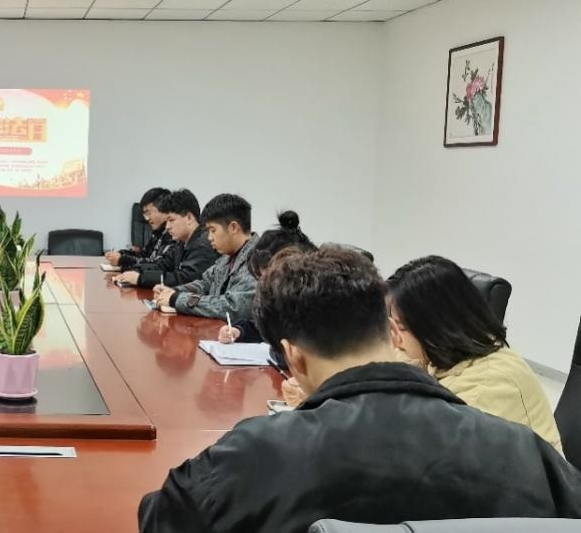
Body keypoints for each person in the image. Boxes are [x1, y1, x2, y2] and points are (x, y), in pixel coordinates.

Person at [138, 247, 581, 533]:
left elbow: (160, 519)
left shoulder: (250, 458)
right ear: (390, 329)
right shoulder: (525, 453)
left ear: (294, 358)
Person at [387, 255, 563, 452]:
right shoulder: (449, 350)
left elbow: (430, 453)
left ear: (435, 328)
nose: (394, 338)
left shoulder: (483, 391)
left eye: (401, 327)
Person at [216, 210, 315, 369]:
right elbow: (268, 326)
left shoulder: (314, 302)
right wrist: (240, 331)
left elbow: (289, 355)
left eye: (270, 279)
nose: (265, 286)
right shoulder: (282, 298)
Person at [153, 193, 258, 320]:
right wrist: (173, 291)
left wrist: (177, 299)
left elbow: (234, 307)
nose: (209, 237)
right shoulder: (227, 257)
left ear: (233, 228)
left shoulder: (257, 260)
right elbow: (205, 284)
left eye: (213, 230)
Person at [115, 188, 218, 288]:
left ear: (189, 218)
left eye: (171, 220)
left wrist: (140, 278)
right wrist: (132, 270)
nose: (167, 226)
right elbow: (161, 265)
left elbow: (186, 279)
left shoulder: (205, 242)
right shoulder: (181, 242)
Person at [106, 187, 172, 269]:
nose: (146, 219)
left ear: (164, 210)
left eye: (149, 213)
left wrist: (123, 260)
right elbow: (143, 255)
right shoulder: (157, 233)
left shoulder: (173, 234)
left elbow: (158, 265)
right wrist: (121, 254)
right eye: (145, 214)